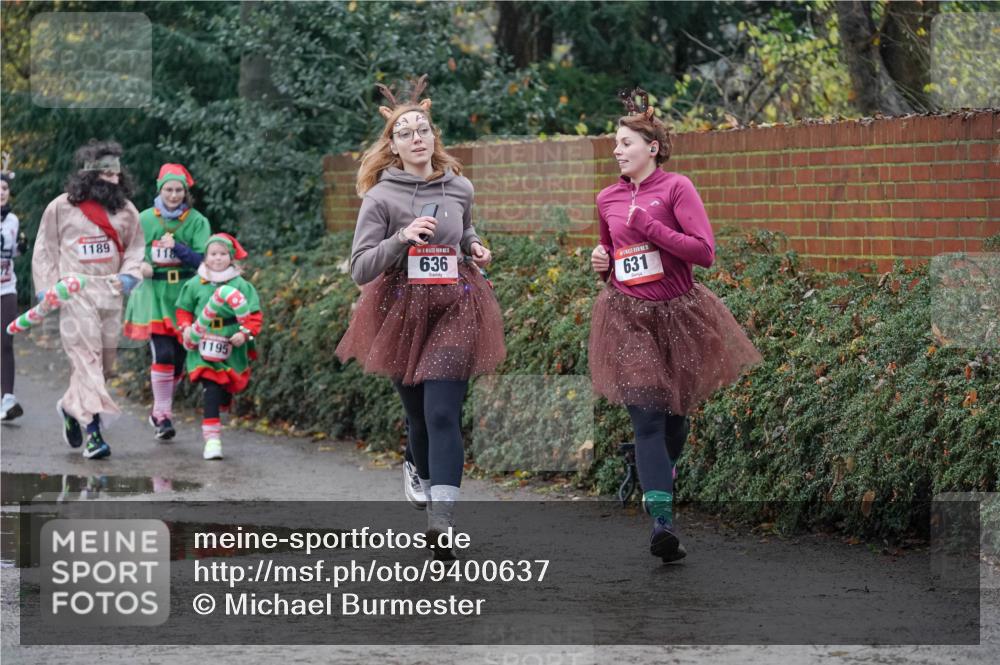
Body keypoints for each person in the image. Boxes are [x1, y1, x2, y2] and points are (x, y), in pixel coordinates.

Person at [589, 89, 762, 562]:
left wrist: (652, 227)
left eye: (625, 143)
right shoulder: (606, 197)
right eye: (615, 145)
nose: (617, 151)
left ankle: (654, 473)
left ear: (653, 148)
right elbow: (614, 258)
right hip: (626, 317)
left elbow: (703, 252)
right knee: (646, 413)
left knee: (675, 421)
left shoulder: (677, 188)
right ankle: (662, 523)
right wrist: (600, 261)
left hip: (680, 314)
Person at [335, 76, 505, 556]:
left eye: (423, 129)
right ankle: (416, 464)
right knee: (418, 417)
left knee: (443, 412)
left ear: (434, 138)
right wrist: (402, 237)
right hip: (399, 309)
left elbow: (465, 229)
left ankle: (443, 519)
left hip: (455, 304)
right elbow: (360, 267)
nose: (416, 137)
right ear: (392, 145)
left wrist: (474, 244)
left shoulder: (460, 186)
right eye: (405, 132)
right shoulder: (380, 198)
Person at [32, 140, 145, 459]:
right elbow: (44, 249)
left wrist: (129, 275)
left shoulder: (126, 211)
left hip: (109, 293)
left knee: (104, 366)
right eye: (105, 172)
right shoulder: (61, 207)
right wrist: (47, 288)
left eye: (116, 173)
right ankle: (94, 435)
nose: (112, 178)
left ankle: (71, 407)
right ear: (89, 172)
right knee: (86, 361)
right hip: (74, 294)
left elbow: (136, 247)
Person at [124, 163, 212, 441]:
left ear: (185, 192)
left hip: (186, 294)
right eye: (169, 190)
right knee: (162, 354)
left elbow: (204, 261)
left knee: (180, 359)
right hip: (155, 294)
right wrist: (142, 265)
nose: (174, 195)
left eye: (178, 190)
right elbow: (130, 253)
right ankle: (163, 414)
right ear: (160, 190)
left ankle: (160, 408)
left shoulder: (197, 221)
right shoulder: (145, 218)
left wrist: (177, 247)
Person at [175, 233, 262, 460]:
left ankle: (224, 401)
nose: (218, 258)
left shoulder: (241, 285)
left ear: (231, 257)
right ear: (205, 257)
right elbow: (183, 310)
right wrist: (185, 327)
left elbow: (254, 316)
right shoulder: (195, 283)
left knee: (224, 389)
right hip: (202, 343)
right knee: (210, 387)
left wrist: (244, 334)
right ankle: (212, 440)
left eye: (223, 254)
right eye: (213, 254)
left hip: (231, 342)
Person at [1, 166, 28, 421]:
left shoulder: (12, 220)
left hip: (6, 287)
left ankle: (7, 399)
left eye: (4, 188)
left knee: (6, 340)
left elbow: (10, 256)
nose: (1, 192)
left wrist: (22, 247)